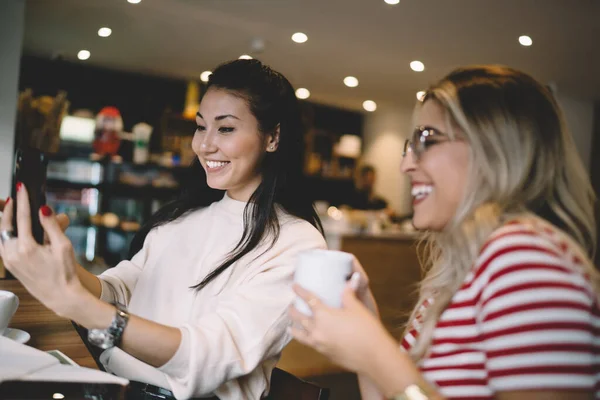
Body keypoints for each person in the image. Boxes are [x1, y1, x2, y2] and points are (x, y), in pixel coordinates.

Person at [0, 59, 327, 400]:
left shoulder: (298, 244)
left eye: (226, 129)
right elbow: (118, 290)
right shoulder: (183, 219)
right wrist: (55, 258)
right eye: (201, 127)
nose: (204, 145)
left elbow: (205, 358)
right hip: (110, 381)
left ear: (272, 137)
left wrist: (76, 305)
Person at [288, 65, 599, 399]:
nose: (406, 165)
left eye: (427, 139)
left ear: (494, 149)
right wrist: (368, 331)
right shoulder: (457, 276)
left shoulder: (525, 258)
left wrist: (378, 357)